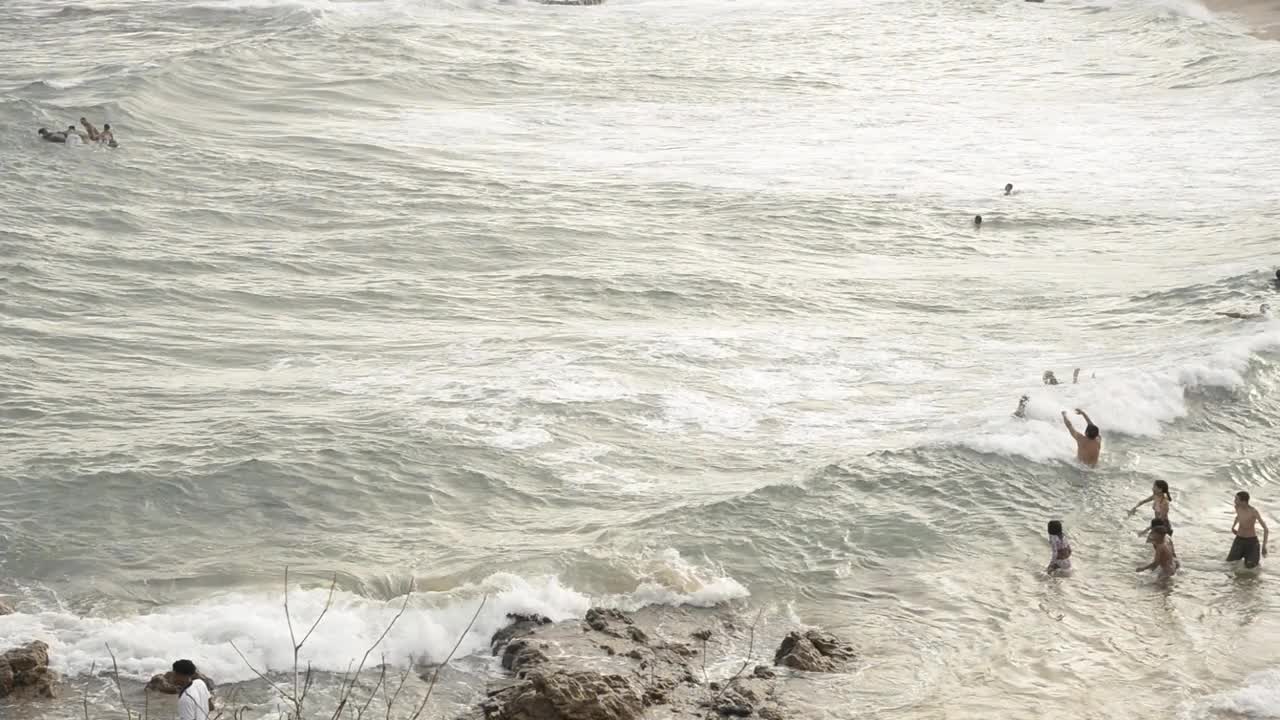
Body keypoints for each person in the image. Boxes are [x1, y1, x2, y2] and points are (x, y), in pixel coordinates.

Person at [1227, 491, 1269, 569]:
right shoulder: (1237, 507)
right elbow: (1238, 516)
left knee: (1251, 569)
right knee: (1229, 565)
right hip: (1238, 541)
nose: (1234, 501)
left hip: (1251, 543)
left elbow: (1266, 529)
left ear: (1244, 501)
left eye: (1236, 499)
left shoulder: (1253, 511)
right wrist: (1233, 527)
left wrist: (1264, 546)